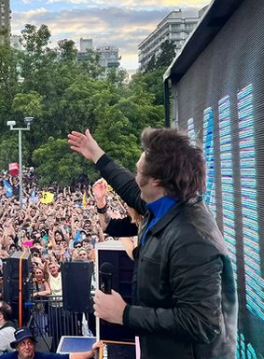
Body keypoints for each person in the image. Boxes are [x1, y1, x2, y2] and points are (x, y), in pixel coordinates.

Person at [68, 128, 237, 358]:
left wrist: (125, 314)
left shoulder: (193, 240)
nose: (135, 175)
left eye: (139, 170)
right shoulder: (166, 205)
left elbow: (202, 322)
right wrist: (97, 155)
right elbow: (128, 187)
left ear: (156, 182)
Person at [0, 328, 100, 359]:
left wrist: (91, 353)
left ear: (34, 345)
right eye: (22, 344)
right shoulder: (5, 358)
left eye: (29, 343)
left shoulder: (43, 357)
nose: (27, 347)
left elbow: (69, 357)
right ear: (17, 347)